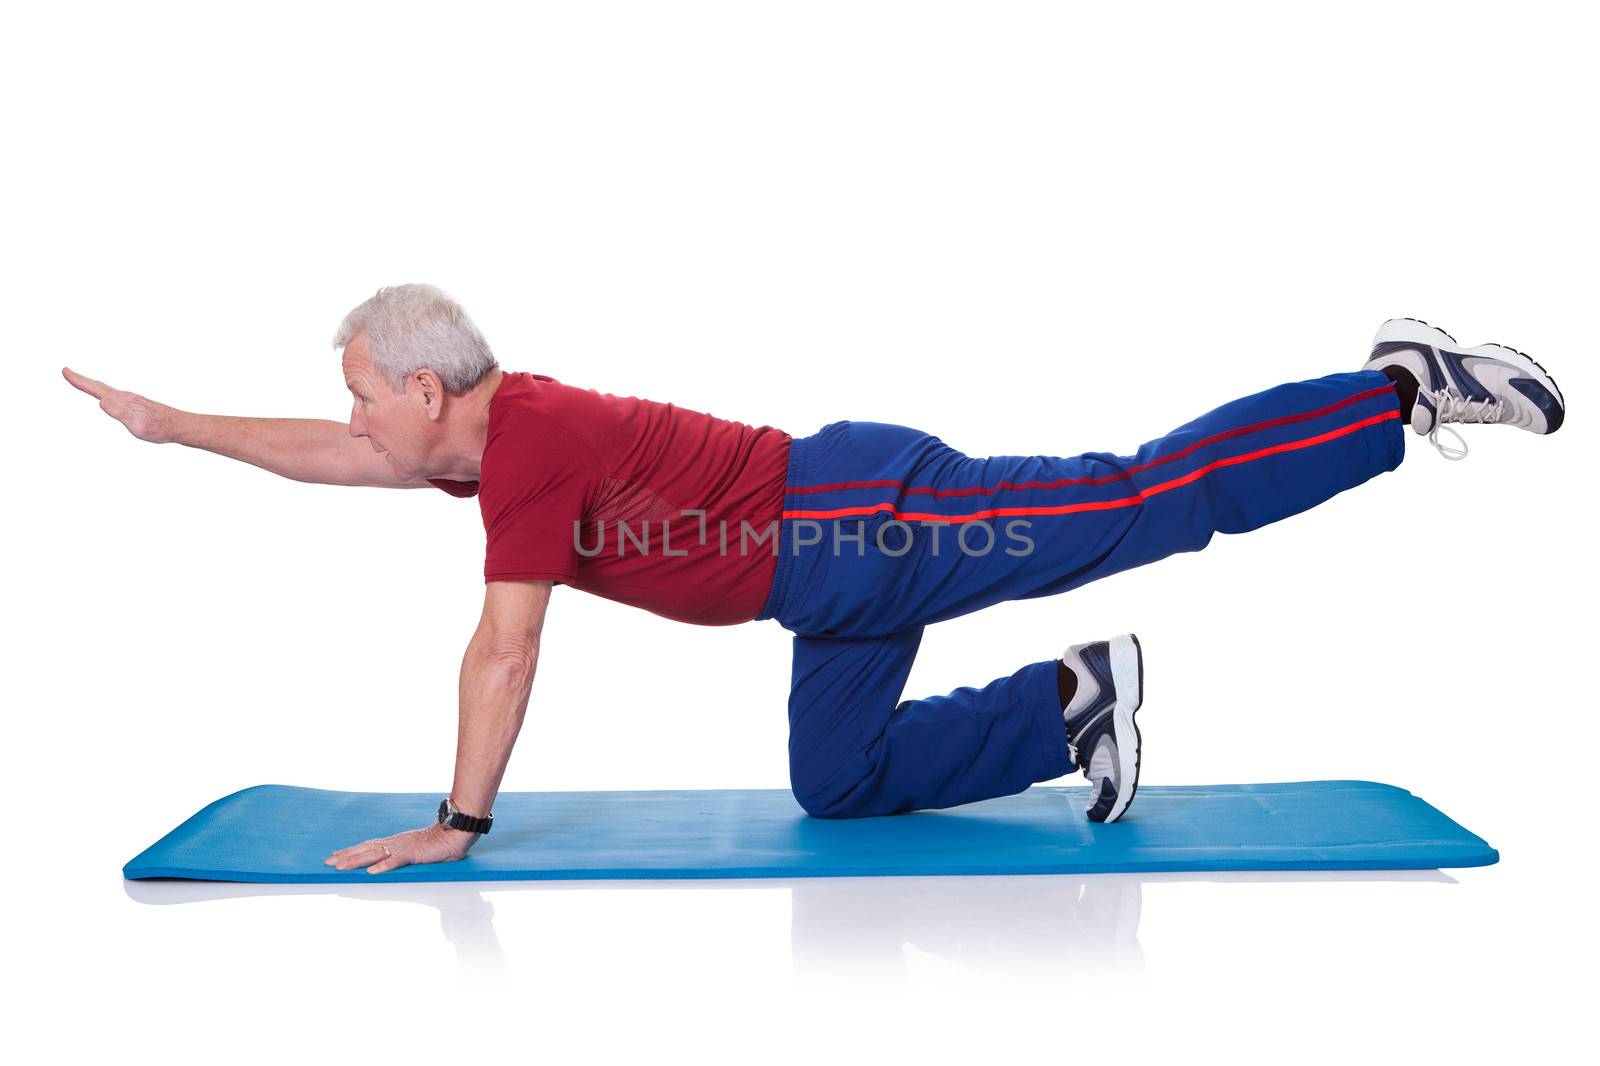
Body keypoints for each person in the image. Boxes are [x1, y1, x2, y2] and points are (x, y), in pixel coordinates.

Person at [61, 285, 1566, 874]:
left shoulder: (517, 441)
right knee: (837, 781)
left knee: (1142, 500)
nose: (351, 421)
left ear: (426, 386)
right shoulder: (481, 437)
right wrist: (172, 426)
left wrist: (461, 821)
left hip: (866, 519)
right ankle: (1070, 708)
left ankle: (1392, 395)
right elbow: (341, 465)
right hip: (822, 580)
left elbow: (502, 654)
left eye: (359, 394)